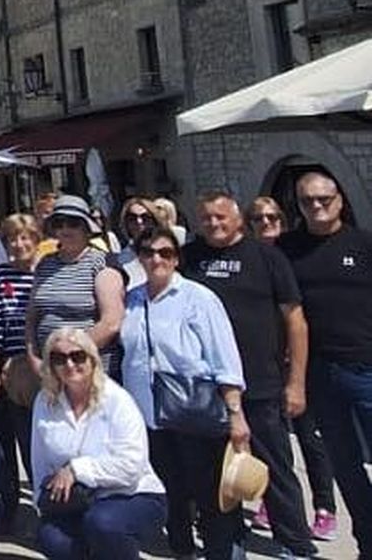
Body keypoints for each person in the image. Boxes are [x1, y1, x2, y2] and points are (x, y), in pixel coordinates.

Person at [181, 191, 316, 558]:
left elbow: (295, 320)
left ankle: (295, 544)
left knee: (276, 470)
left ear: (238, 219)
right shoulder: (190, 258)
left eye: (221, 217)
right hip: (205, 387)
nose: (214, 224)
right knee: (214, 474)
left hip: (261, 383)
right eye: (207, 218)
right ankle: (227, 546)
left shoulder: (267, 257)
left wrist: (296, 382)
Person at [119, 226, 248, 560]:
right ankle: (182, 551)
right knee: (171, 495)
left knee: (210, 496)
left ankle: (224, 552)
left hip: (195, 411)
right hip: (149, 416)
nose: (156, 259)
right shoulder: (131, 300)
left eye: (165, 252)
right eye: (148, 252)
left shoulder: (198, 298)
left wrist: (236, 414)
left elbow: (225, 358)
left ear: (176, 258)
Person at [280, 169, 372, 556]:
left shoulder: (364, 243)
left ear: (340, 201)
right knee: (346, 468)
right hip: (319, 374)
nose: (316, 207)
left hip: (366, 369)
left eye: (324, 199)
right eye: (307, 201)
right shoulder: (287, 249)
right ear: (298, 205)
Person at [31, 328, 166, 559]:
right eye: (59, 359)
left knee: (102, 523)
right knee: (52, 538)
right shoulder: (45, 401)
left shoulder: (118, 400)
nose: (70, 364)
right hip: (76, 500)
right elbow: (40, 462)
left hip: (132, 494)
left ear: (92, 359)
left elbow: (131, 467)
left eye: (77, 356)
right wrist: (43, 503)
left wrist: (77, 469)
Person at [249, 194, 338, 541]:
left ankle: (324, 506)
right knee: (271, 442)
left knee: (309, 436)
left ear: (283, 221)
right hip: (265, 363)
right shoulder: (252, 259)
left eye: (273, 218)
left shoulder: (293, 256)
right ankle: (272, 503)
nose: (267, 224)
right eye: (259, 219)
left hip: (300, 361)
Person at [0, 213, 40, 531]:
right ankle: (7, 509)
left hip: (41, 367)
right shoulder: (0, 274)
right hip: (9, 365)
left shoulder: (46, 271)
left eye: (24, 237)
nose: (19, 245)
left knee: (36, 443)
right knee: (6, 441)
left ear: (36, 239)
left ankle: (46, 507)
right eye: (12, 239)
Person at [26, 195, 124, 382]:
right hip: (50, 372)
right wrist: (34, 357)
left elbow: (111, 323)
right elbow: (32, 317)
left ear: (86, 228)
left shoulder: (102, 263)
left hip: (90, 369)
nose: (65, 229)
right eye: (59, 223)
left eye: (72, 223)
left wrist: (68, 355)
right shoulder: (45, 263)